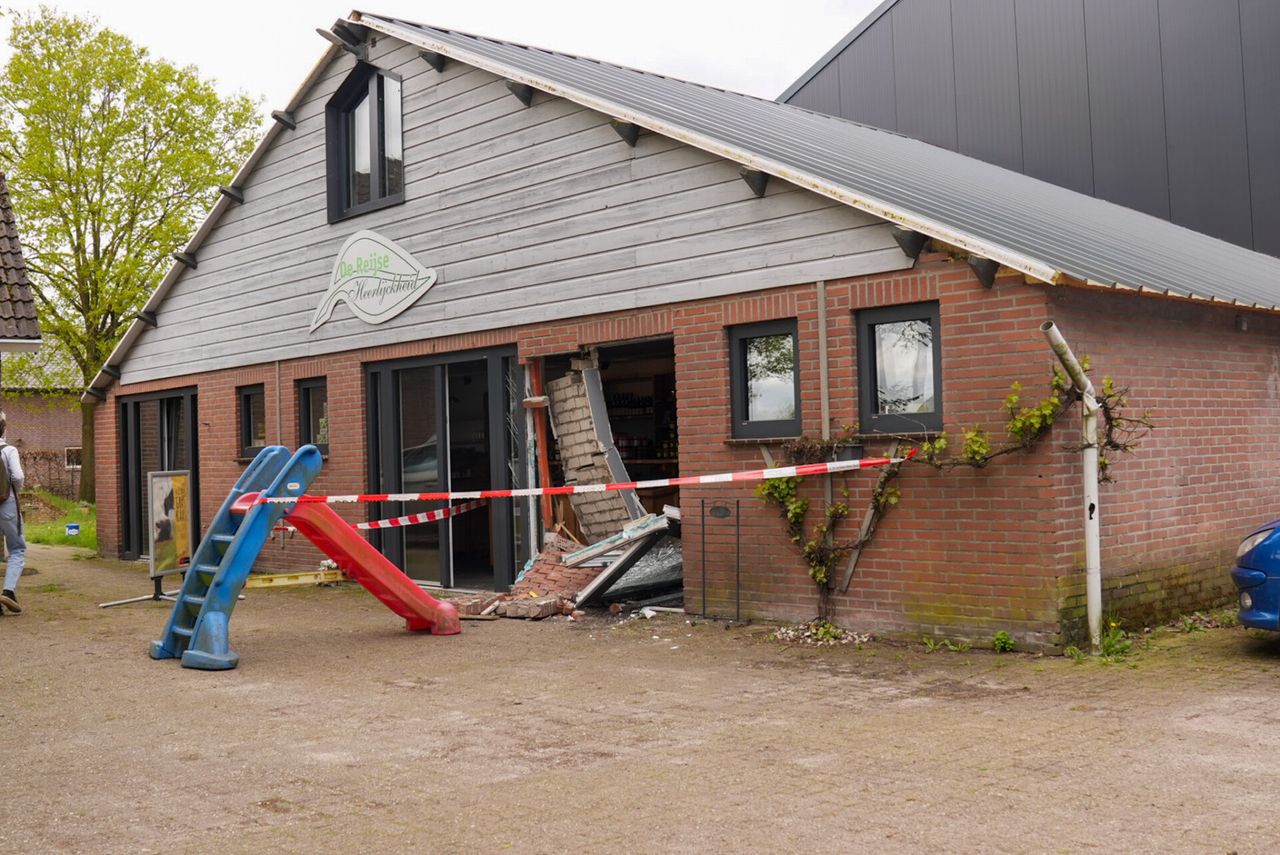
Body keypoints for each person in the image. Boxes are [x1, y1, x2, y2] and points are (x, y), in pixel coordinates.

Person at [0, 411, 24, 616]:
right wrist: (16, 488)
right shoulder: (9, 450)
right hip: (6, 504)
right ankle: (8, 591)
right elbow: (17, 476)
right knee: (17, 549)